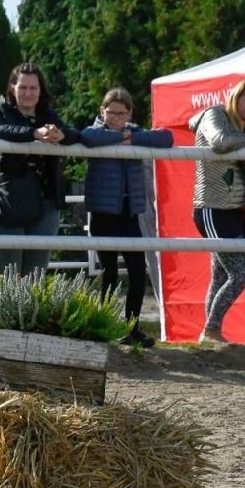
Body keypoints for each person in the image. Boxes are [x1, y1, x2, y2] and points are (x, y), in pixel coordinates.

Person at [80, 88, 173, 347]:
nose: (115, 117)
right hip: (103, 211)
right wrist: (120, 138)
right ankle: (106, 327)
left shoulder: (135, 132)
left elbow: (167, 138)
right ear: (102, 111)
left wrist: (129, 138)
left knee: (136, 271)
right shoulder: (96, 131)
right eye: (110, 112)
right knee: (109, 271)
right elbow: (86, 136)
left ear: (129, 113)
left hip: (130, 211)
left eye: (121, 113)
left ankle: (132, 327)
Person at [188, 78, 245, 344]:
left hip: (234, 208)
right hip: (211, 206)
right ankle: (211, 328)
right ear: (236, 97)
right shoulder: (215, 114)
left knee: (230, 272)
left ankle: (210, 334)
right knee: (240, 272)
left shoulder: (240, 127)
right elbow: (220, 142)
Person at [0, 63, 78, 279]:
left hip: (45, 200)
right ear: (12, 89)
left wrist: (61, 135)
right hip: (7, 201)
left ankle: (31, 315)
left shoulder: (48, 114)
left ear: (40, 90)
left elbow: (75, 134)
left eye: (33, 88)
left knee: (35, 278)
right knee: (8, 279)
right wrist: (34, 134)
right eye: (23, 87)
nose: (28, 93)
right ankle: (7, 315)